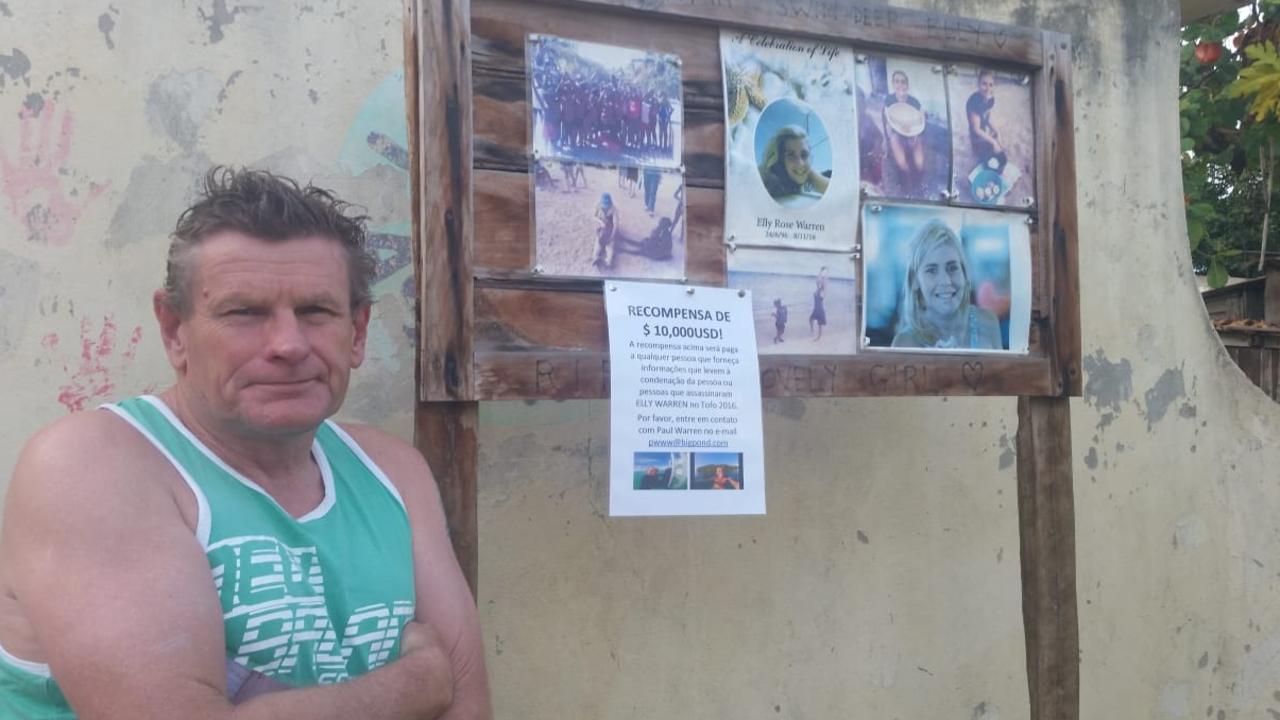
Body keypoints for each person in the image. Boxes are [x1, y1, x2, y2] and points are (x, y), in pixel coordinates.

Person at [0, 168, 492, 718]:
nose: (288, 344)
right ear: (173, 331)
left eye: (315, 311)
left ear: (356, 332)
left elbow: (468, 706)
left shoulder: (391, 470)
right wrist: (416, 684)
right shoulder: (93, 467)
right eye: (244, 312)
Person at [891, 220, 1002, 350]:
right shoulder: (904, 343)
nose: (946, 281)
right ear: (915, 281)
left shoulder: (988, 323)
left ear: (964, 272)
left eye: (952, 268)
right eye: (931, 270)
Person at [759, 125, 830, 202]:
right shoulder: (763, 180)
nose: (800, 163)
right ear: (779, 160)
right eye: (790, 155)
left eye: (804, 154)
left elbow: (834, 190)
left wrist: (809, 173)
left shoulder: (804, 173)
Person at [883, 70, 926, 190]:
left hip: (914, 134)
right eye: (897, 82)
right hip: (896, 134)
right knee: (902, 164)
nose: (900, 85)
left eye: (903, 82)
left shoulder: (914, 102)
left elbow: (920, 121)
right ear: (893, 84)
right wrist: (900, 128)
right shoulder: (889, 100)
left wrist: (914, 136)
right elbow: (889, 121)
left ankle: (919, 184)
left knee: (920, 164)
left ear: (907, 85)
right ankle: (908, 184)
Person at [966, 69, 1008, 173]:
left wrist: (997, 133)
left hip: (983, 130)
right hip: (976, 136)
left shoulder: (990, 99)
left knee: (998, 148)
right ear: (978, 84)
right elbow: (976, 129)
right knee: (987, 157)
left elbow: (988, 118)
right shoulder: (973, 101)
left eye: (991, 85)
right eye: (984, 84)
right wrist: (993, 142)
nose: (987, 88)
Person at [593, 192, 618, 269]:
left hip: (610, 229)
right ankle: (595, 258)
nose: (606, 207)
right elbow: (594, 216)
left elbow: (615, 224)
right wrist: (600, 222)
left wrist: (612, 235)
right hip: (601, 228)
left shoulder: (614, 209)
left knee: (610, 245)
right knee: (598, 242)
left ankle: (608, 261)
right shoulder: (598, 205)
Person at [809, 266, 828, 341]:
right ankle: (812, 331)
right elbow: (817, 281)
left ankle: (818, 337)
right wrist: (820, 272)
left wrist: (824, 276)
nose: (819, 284)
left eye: (820, 284)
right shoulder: (817, 290)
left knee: (819, 325)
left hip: (820, 310)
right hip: (815, 309)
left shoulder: (822, 292)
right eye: (818, 284)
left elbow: (824, 284)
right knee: (810, 319)